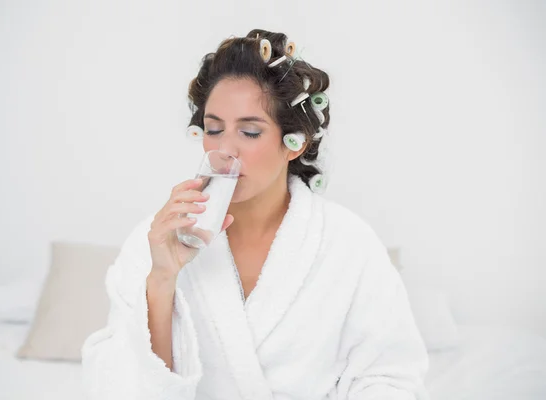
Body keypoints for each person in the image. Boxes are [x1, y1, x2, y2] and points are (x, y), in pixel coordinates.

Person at [81, 29, 430, 400]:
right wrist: (162, 279)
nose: (225, 147)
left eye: (249, 132)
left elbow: (389, 378)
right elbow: (124, 385)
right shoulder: (157, 238)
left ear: (294, 144)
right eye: (213, 129)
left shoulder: (348, 244)